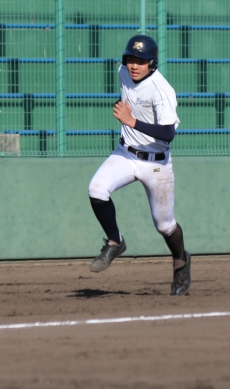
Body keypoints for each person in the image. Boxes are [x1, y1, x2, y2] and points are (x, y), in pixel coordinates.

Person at [87, 34, 191, 296]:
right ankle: (115, 242)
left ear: (152, 63)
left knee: (165, 226)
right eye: (130, 59)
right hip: (126, 154)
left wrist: (131, 121)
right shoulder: (123, 72)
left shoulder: (161, 90)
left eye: (141, 61)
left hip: (156, 164)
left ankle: (181, 260)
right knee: (97, 189)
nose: (134, 65)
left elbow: (168, 133)